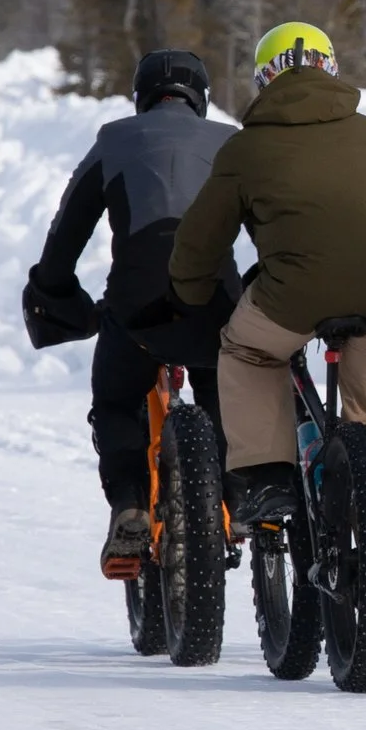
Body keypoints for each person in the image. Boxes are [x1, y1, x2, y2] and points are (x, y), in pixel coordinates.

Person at [167, 22, 366, 635]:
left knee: (246, 351)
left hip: (289, 301)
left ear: (264, 78)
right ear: (331, 68)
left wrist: (191, 296)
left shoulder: (247, 149)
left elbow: (199, 245)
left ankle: (268, 479)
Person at [22, 49, 240, 576]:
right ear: (201, 99)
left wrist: (54, 293)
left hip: (138, 304)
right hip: (215, 302)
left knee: (117, 401)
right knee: (227, 392)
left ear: (140, 98)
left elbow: (65, 235)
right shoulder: (232, 143)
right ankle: (238, 496)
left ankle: (130, 504)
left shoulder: (114, 140)